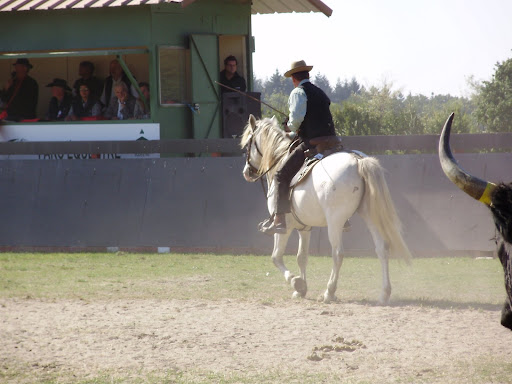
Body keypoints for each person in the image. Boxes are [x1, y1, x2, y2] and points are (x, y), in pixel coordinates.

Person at [261, 60, 335, 235]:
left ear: (294, 78)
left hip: (312, 143)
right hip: (332, 141)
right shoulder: (320, 92)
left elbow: (295, 123)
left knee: (280, 175)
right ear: (307, 75)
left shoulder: (298, 92)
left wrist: (288, 125)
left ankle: (279, 221)